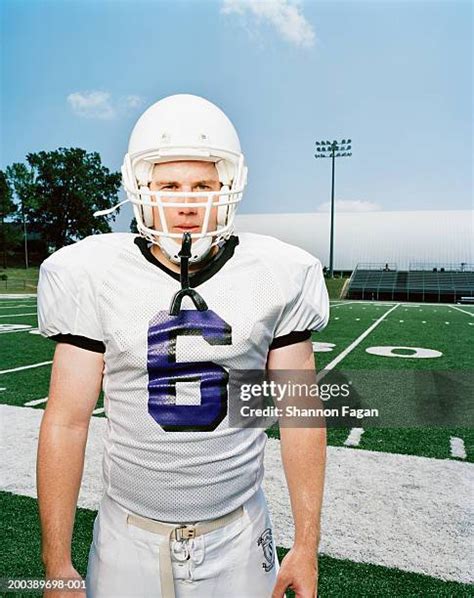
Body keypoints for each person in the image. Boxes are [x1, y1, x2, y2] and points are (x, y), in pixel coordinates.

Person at [36, 94, 329, 598]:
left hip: (239, 533)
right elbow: (66, 420)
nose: (188, 202)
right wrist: (56, 562)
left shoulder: (277, 273)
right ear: (141, 189)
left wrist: (307, 545)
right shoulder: (94, 273)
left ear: (229, 187)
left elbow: (301, 416)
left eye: (203, 185)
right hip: (127, 535)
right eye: (169, 185)